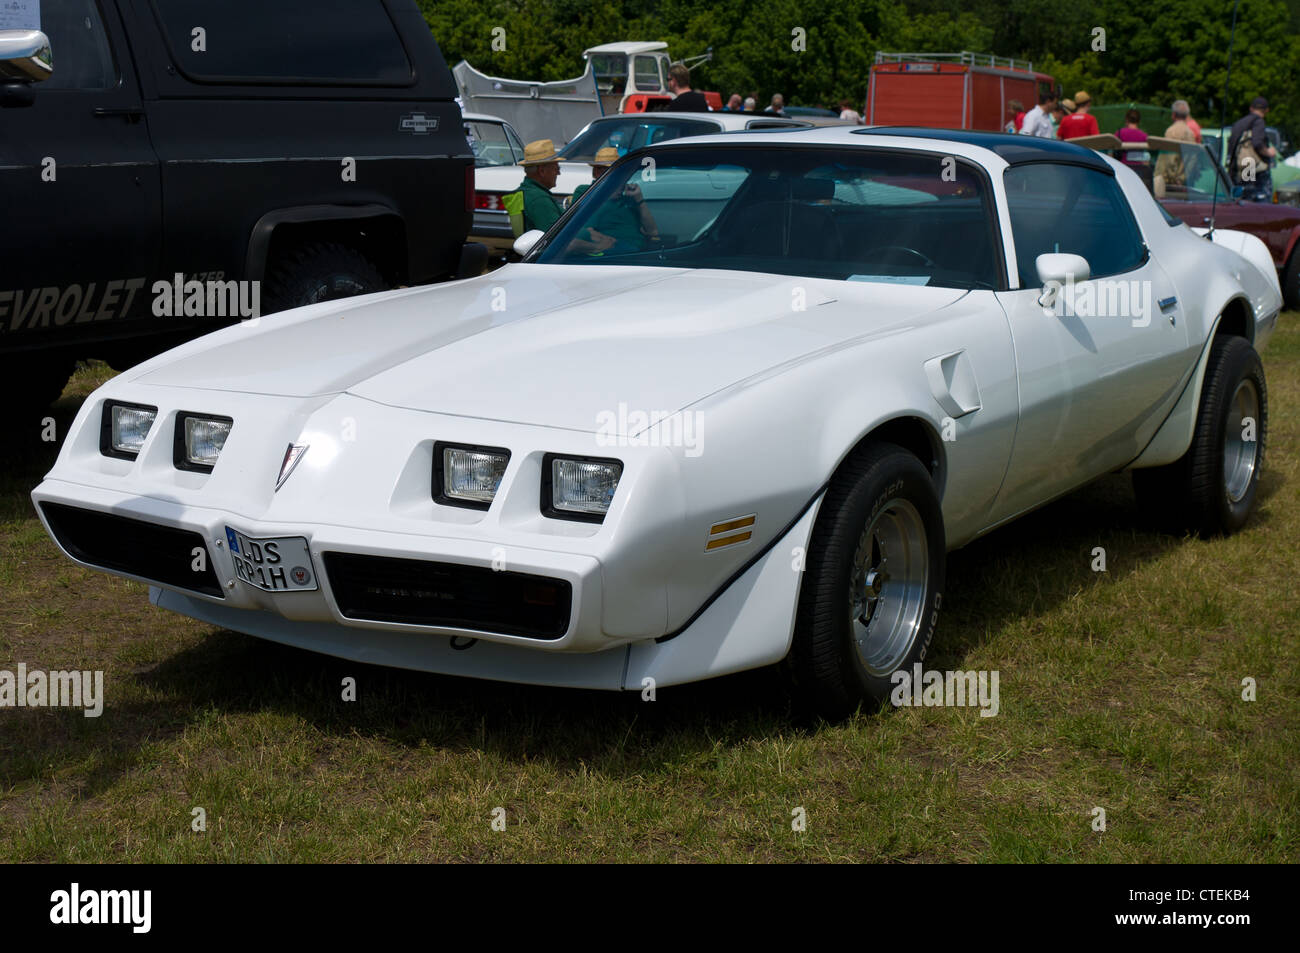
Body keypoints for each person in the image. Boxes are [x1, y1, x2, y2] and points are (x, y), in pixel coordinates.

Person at [565, 147, 660, 255]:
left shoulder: (628, 196)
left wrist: (639, 200)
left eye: (618, 172)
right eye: (609, 171)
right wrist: (606, 193)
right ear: (596, 172)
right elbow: (582, 230)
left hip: (637, 251)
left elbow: (653, 232)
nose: (616, 176)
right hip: (612, 251)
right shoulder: (585, 192)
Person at [1227, 96, 1276, 200]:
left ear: (1251, 108)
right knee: (1259, 200)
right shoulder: (1258, 122)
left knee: (1244, 198)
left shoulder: (1239, 123)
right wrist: (1268, 152)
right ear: (1266, 110)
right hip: (1253, 166)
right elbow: (1257, 143)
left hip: (1240, 167)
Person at [516, 139, 564, 233]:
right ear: (542, 171)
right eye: (556, 168)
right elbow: (557, 237)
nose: (558, 173)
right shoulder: (539, 199)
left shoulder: (525, 192)